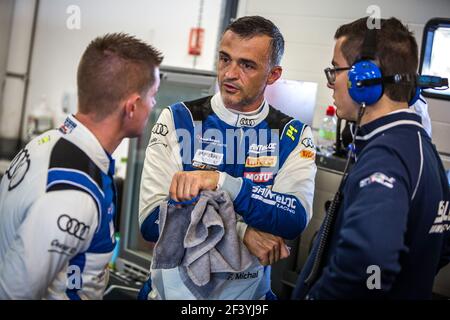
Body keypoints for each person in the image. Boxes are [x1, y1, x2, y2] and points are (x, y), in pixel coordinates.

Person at [139, 16, 317, 300]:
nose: (229, 74)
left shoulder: (292, 134)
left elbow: (293, 218)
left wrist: (220, 182)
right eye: (224, 59)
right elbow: (152, 222)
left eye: (246, 65)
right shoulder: (178, 119)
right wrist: (243, 231)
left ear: (273, 75)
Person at [293, 17, 450, 300]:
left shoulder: (385, 157)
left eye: (334, 71)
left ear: (363, 79)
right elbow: (443, 246)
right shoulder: (422, 147)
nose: (331, 84)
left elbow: (368, 258)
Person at [0, 33, 163, 299]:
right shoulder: (73, 196)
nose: (154, 105)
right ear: (132, 107)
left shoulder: (53, 141)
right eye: (153, 96)